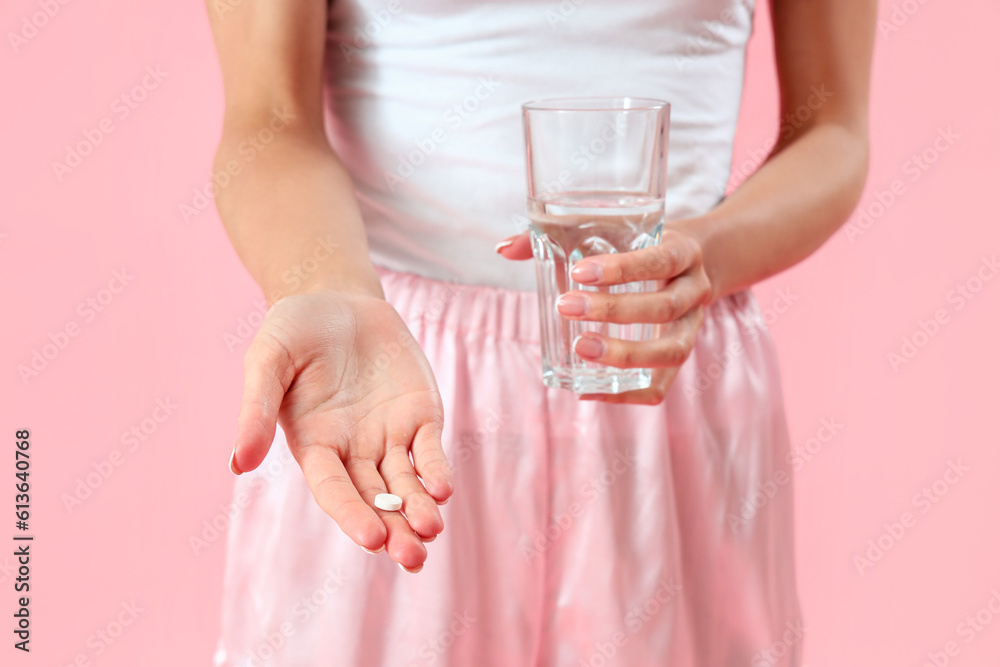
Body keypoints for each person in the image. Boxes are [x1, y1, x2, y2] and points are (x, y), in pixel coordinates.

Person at [206, 0, 874, 664]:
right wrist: (329, 292)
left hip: (661, 364)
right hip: (386, 394)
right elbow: (271, 118)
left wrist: (708, 254)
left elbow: (833, 129)